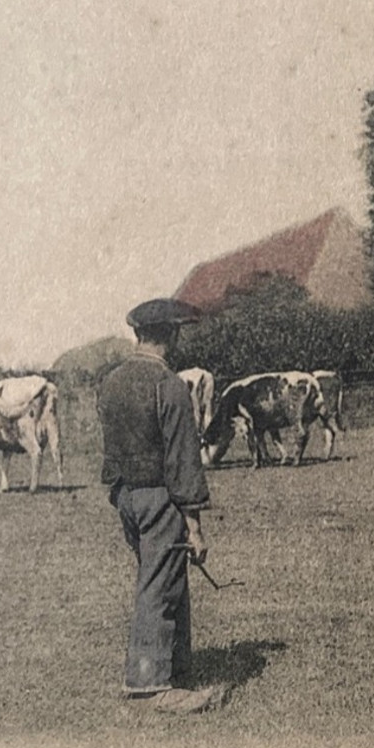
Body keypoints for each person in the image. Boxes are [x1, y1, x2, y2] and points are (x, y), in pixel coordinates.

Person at [98, 297, 218, 714]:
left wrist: (120, 496)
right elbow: (183, 461)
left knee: (168, 580)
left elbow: (110, 451)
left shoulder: (111, 382)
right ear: (171, 334)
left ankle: (176, 671)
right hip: (160, 498)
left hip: (127, 497)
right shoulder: (169, 386)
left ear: (138, 334)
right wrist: (195, 525)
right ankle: (149, 687)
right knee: (157, 587)